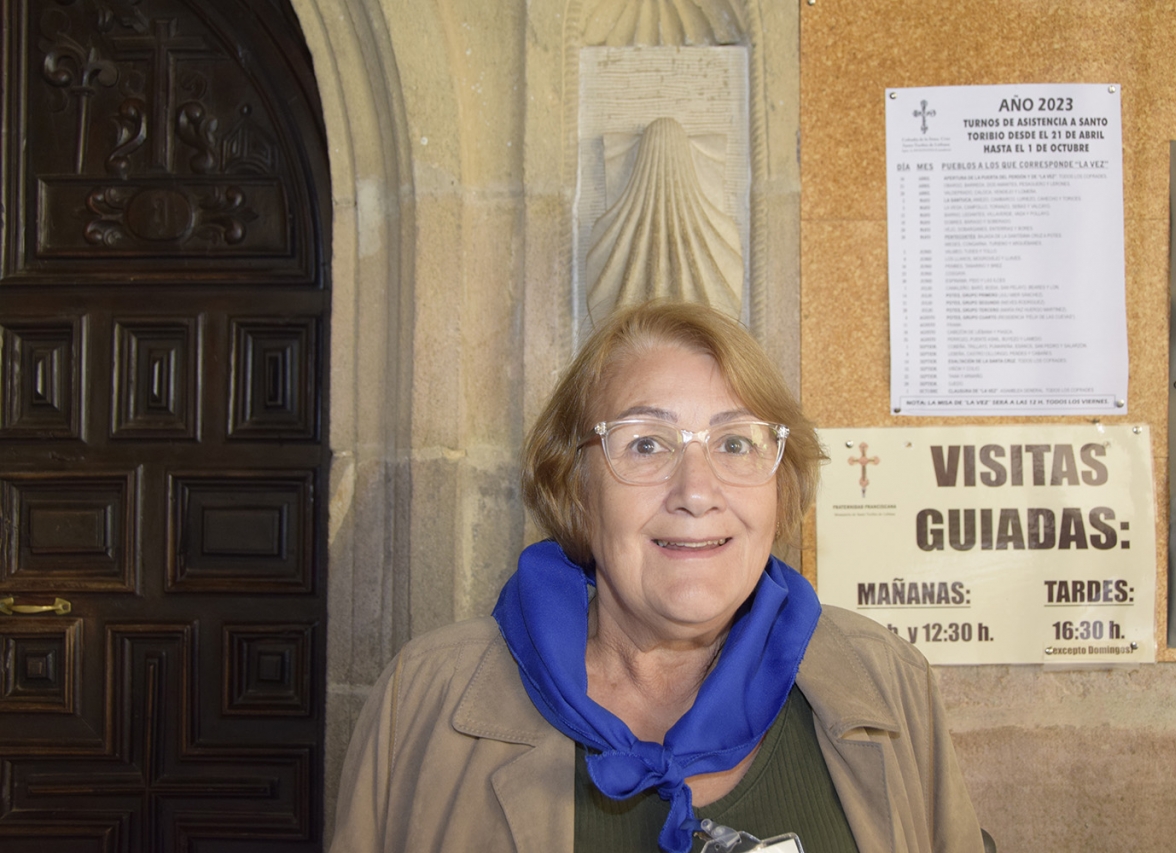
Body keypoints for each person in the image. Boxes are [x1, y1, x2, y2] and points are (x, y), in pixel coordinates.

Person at [330, 301, 984, 853]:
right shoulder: (426, 701)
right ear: (576, 488)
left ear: (780, 488)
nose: (696, 492)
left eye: (735, 443)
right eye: (645, 443)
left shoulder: (887, 682)